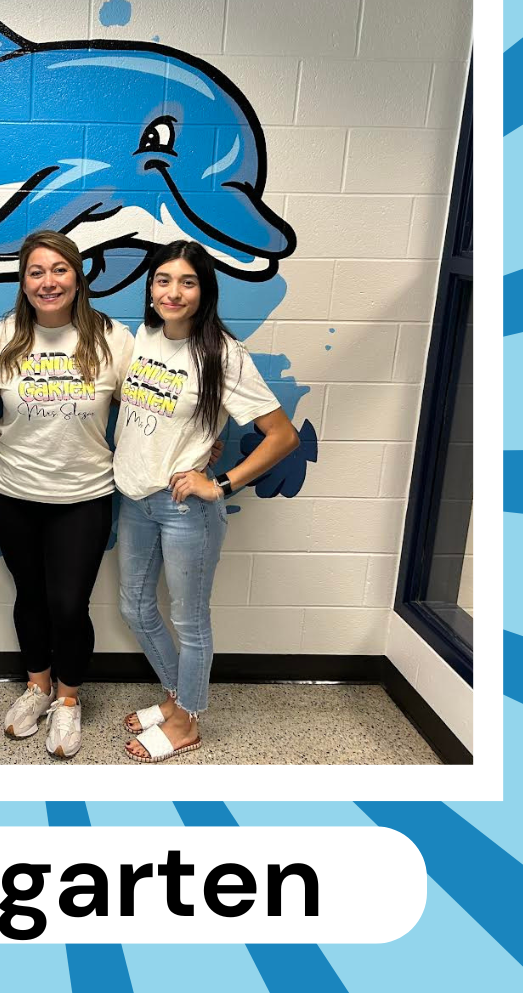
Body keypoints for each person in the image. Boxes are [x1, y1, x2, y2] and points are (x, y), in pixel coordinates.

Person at [114, 240, 300, 763]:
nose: (173, 292)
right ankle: (179, 698)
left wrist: (220, 483)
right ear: (150, 289)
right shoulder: (145, 337)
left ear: (204, 291)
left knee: (190, 621)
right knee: (135, 606)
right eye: (163, 280)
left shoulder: (222, 353)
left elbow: (282, 436)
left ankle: (186, 721)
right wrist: (205, 438)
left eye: (187, 282)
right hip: (134, 497)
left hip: (183, 509)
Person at [0, 231, 134, 758]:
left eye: (59, 270)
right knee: (30, 594)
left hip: (85, 493)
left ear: (78, 276)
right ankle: (38, 685)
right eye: (36, 272)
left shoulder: (113, 338)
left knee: (69, 604)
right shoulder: (1, 339)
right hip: (13, 490)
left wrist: (205, 446)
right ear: (23, 282)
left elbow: (157, 406)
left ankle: (68, 702)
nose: (48, 282)